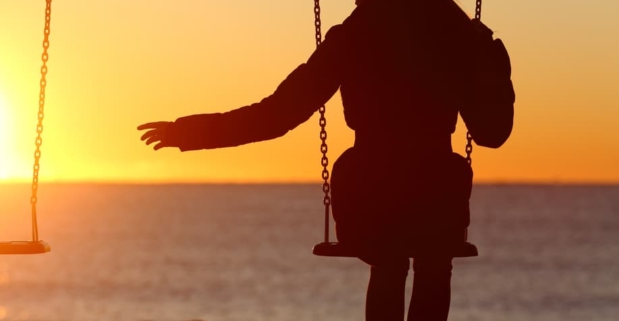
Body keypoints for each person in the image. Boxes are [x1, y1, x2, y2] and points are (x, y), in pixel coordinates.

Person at [138, 0, 514, 320]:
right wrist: (491, 62)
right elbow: (492, 133)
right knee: (433, 263)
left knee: (389, 263)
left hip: (372, 192)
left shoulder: (356, 35)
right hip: (433, 194)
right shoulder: (454, 32)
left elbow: (276, 115)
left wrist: (187, 133)